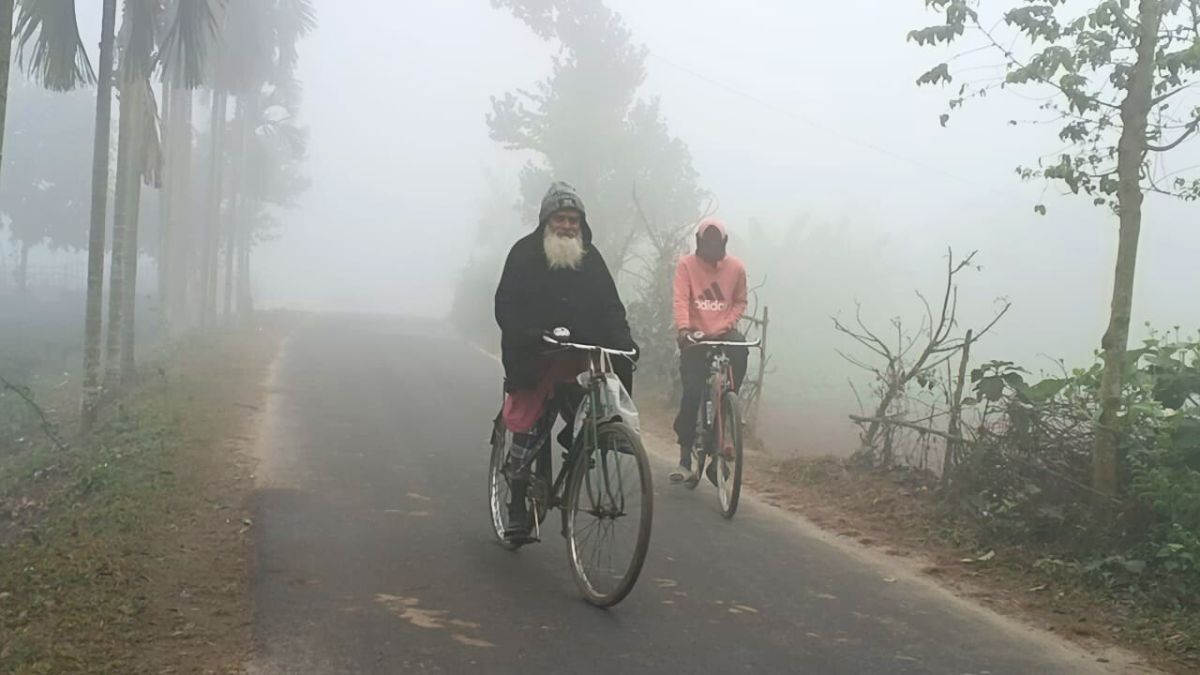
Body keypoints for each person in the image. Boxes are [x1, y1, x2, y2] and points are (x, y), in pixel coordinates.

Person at [494, 181, 638, 540]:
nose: (568, 226)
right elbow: (506, 307)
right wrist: (529, 334)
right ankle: (515, 505)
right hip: (535, 353)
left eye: (574, 219)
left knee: (600, 394)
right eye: (561, 218)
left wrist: (624, 343)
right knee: (528, 421)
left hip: (578, 355)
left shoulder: (591, 259)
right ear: (546, 221)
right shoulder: (523, 254)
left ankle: (590, 439)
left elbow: (610, 307)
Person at [670, 217, 749, 485]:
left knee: (741, 352)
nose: (712, 247)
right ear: (699, 242)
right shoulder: (686, 265)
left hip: (724, 332)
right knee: (692, 393)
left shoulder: (736, 268)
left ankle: (728, 410)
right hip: (694, 335)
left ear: (724, 243)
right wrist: (684, 330)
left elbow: (740, 301)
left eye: (717, 242)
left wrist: (725, 325)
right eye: (708, 242)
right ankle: (684, 458)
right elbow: (681, 299)